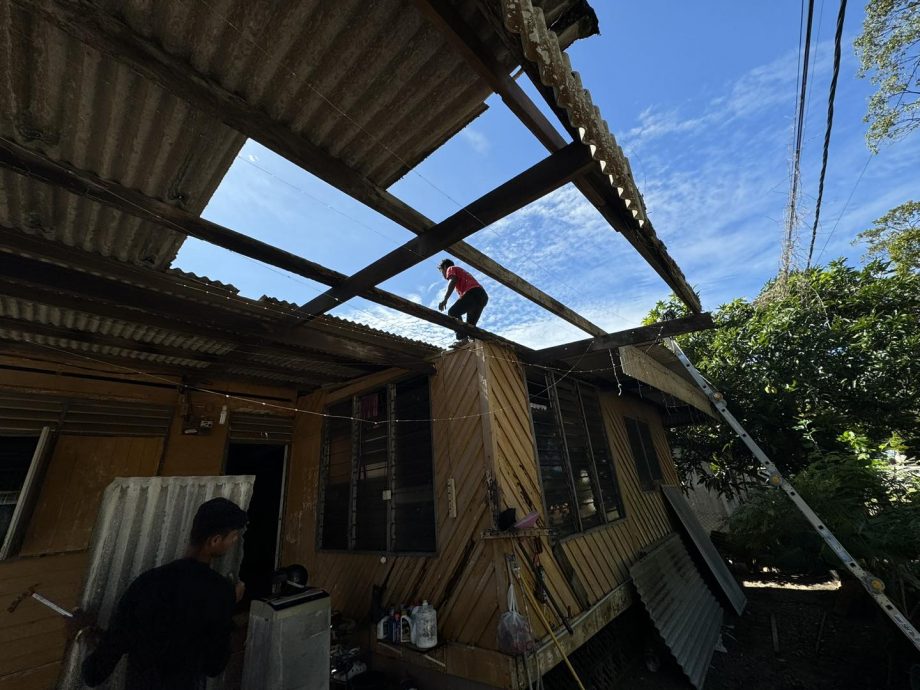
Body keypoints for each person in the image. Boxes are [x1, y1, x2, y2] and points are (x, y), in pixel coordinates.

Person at [73, 497, 249, 690]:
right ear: (215, 541)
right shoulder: (220, 592)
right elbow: (214, 666)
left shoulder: (145, 584)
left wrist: (84, 633)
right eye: (233, 536)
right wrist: (229, 602)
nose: (235, 541)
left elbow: (96, 672)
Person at [437, 259, 488, 346]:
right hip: (482, 296)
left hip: (473, 292)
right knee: (470, 328)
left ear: (445, 267)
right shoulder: (461, 272)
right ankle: (474, 342)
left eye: (442, 271)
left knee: (453, 312)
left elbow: (452, 280)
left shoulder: (451, 268)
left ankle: (462, 339)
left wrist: (445, 299)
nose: (443, 275)